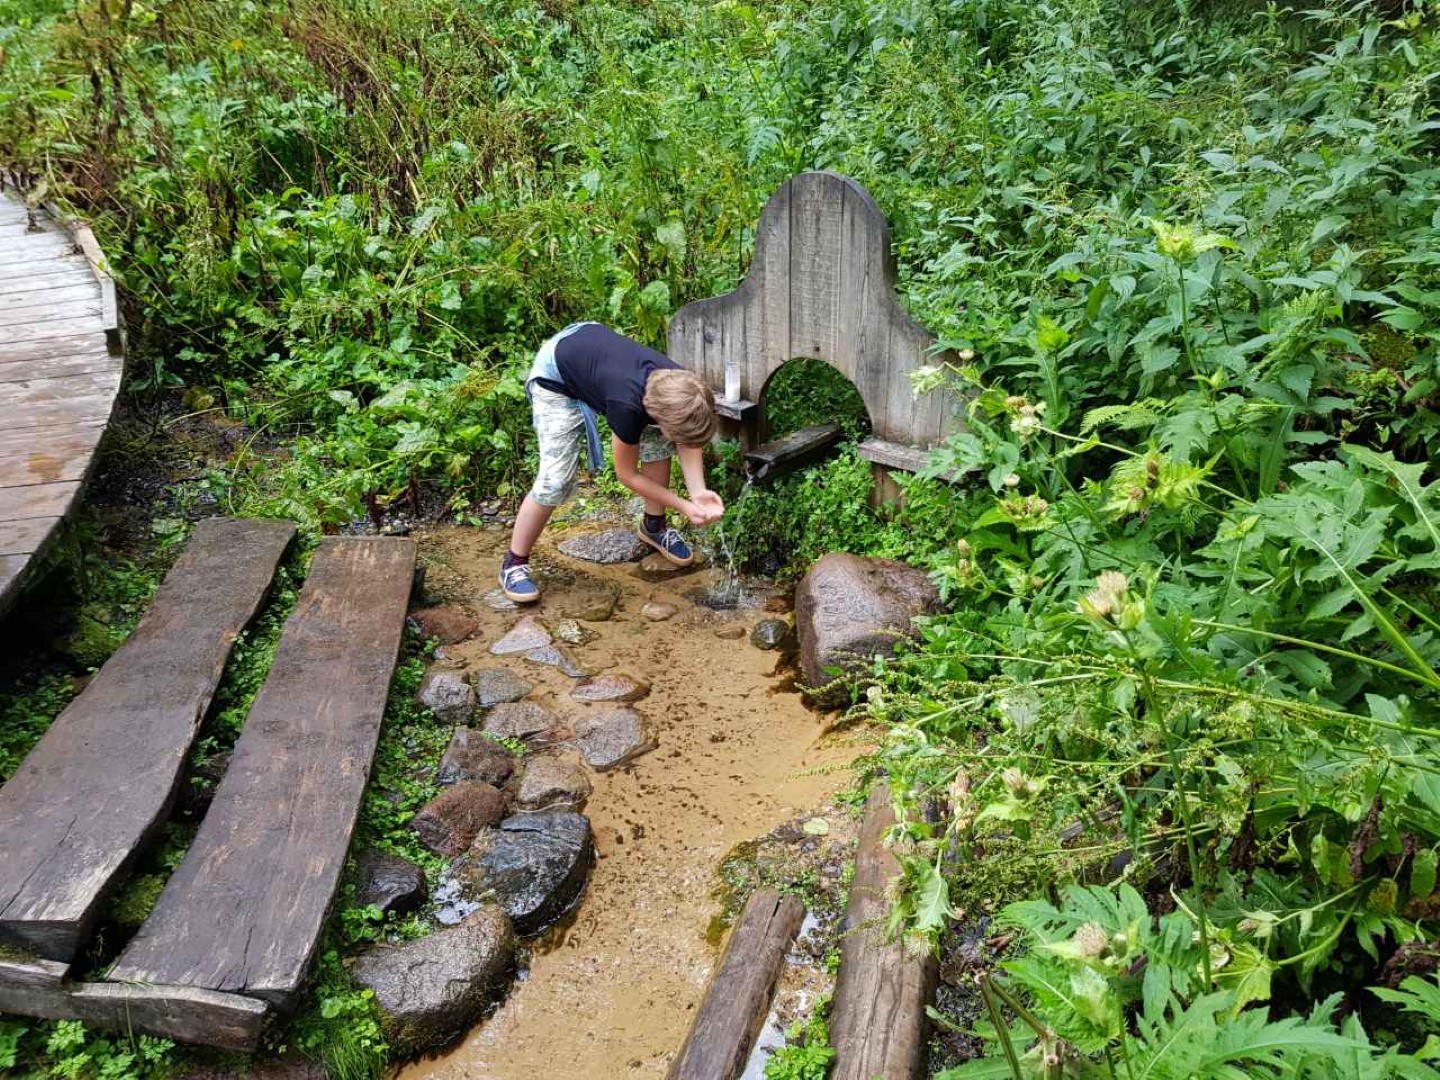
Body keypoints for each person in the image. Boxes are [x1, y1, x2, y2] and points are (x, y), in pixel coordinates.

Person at [499, 321, 726, 603]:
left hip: (595, 354)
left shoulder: (683, 388)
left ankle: (653, 527)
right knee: (555, 482)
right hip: (557, 375)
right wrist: (683, 505)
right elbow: (627, 475)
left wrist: (698, 493)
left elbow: (687, 439)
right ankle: (514, 563)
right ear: (660, 418)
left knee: (657, 448)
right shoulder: (626, 406)